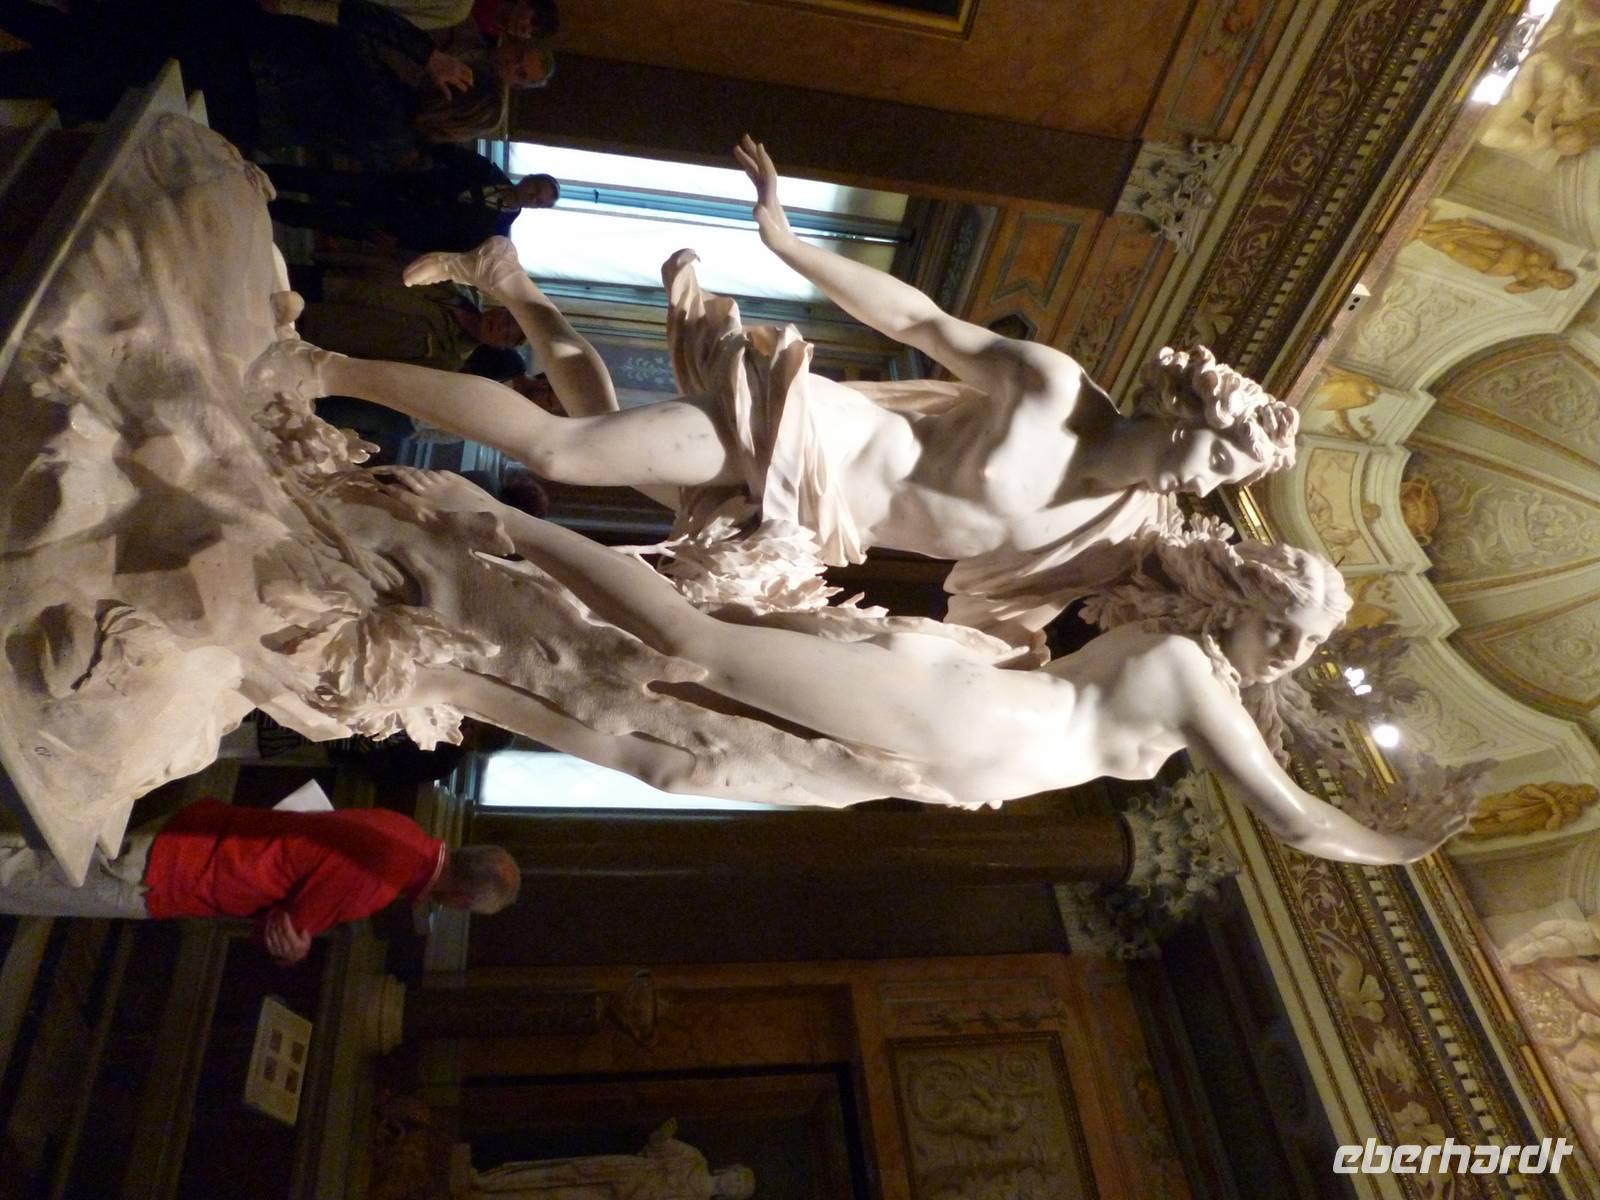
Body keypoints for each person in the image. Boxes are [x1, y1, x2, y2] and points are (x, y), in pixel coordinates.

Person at [264, 137, 1300, 653]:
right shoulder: (1055, 389)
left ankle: (510, 281)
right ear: (1183, 413)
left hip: (796, 526)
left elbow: (1056, 627)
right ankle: (320, 369)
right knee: (562, 454)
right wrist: (789, 243)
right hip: (803, 435)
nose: (1207, 480)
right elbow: (922, 322)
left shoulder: (1111, 539)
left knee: (585, 429)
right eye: (1217, 453)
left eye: (1228, 477)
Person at [340, 466, 1467, 866]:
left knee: (686, 767)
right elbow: (1291, 816)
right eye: (1289, 635)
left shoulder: (1186, 669)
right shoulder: (1182, 669)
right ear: (1245, 607)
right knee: (694, 645)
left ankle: (453, 684)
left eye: (1304, 648)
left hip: (937, 761)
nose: (1289, 659)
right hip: (960, 714)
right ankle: (498, 517)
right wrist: (1395, 843)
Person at [0, 799, 521, 965]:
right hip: (171, 875)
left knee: (24, 850)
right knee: (19, 875)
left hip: (194, 834)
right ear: (460, 899)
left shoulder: (403, 827)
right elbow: (280, 932)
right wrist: (293, 951)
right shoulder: (379, 883)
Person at [267, 145, 559, 252]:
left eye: (539, 201)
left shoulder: (496, 232)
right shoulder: (488, 171)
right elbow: (447, 152)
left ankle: (265, 208)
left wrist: (400, 244)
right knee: (322, 182)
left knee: (319, 218)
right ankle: (262, 173)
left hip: (398, 226)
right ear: (529, 178)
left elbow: (448, 247)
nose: (533, 196)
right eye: (536, 188)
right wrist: (414, 155)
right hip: (395, 187)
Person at [463, 1120, 755, 1200]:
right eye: (739, 1178)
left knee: (554, 1197)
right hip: (619, 1171)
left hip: (615, 1197)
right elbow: (657, 1146)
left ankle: (484, 1198)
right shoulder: (693, 1159)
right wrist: (663, 1134)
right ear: (730, 1169)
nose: (735, 1184)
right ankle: (487, 1181)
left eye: (739, 1189)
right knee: (557, 1173)